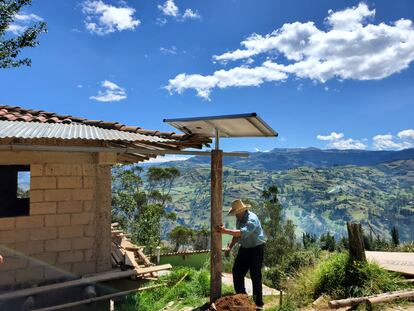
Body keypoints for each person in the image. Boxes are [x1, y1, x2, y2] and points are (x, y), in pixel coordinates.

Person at [216, 199, 266, 309]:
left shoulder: (251, 219)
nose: (235, 216)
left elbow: (241, 233)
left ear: (241, 211)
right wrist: (230, 247)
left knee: (255, 276)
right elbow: (237, 235)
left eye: (235, 213)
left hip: (256, 249)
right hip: (245, 249)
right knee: (237, 271)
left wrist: (224, 231)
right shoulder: (240, 218)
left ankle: (258, 304)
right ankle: (243, 299)